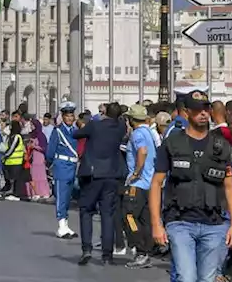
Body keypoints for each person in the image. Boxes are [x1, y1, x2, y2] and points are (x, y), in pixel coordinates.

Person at [149, 89, 232, 282]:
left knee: (208, 279)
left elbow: (230, 187)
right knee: (186, 277)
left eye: (206, 109)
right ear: (186, 112)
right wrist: (157, 224)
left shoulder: (221, 145)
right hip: (180, 222)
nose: (203, 113)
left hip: (214, 224)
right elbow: (156, 184)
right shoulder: (172, 143)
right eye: (198, 109)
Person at [72, 101, 127, 266]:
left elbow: (76, 134)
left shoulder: (94, 125)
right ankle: (107, 255)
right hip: (112, 173)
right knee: (107, 214)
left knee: (86, 211)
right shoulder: (120, 127)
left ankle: (87, 249)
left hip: (93, 173)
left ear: (104, 113)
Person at [122, 104, 159, 269]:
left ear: (131, 119)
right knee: (144, 219)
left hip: (137, 184)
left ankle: (140, 250)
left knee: (129, 216)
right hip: (149, 184)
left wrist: (136, 173)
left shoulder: (137, 133)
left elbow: (142, 151)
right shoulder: (149, 133)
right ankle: (145, 253)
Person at [45, 102, 80, 239]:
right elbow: (50, 152)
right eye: (67, 116)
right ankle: (61, 225)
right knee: (61, 196)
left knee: (67, 196)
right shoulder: (58, 131)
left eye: (72, 115)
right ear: (63, 117)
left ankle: (66, 224)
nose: (70, 118)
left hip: (72, 166)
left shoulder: (75, 131)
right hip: (61, 165)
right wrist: (50, 166)